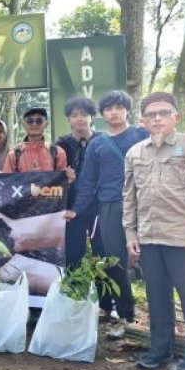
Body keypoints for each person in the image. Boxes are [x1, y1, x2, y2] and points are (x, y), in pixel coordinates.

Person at [124, 92, 185, 370]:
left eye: (163, 113)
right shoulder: (135, 152)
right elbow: (129, 197)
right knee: (156, 296)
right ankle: (160, 348)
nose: (157, 118)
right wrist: (131, 233)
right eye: (151, 114)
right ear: (143, 121)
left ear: (175, 117)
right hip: (149, 237)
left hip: (183, 238)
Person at [64, 90, 149, 339]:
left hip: (146, 204)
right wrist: (76, 209)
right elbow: (88, 182)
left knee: (155, 261)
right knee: (115, 262)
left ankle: (161, 321)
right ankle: (125, 317)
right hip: (111, 206)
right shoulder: (97, 144)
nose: (113, 112)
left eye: (118, 108)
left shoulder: (140, 135)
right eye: (108, 109)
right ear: (102, 114)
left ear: (127, 110)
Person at [55, 98, 104, 267]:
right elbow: (53, 177)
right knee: (73, 254)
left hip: (98, 206)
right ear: (69, 119)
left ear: (92, 117)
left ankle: (104, 285)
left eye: (84, 114)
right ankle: (73, 283)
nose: (79, 119)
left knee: (102, 254)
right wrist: (64, 177)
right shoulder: (60, 145)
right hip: (71, 206)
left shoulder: (103, 141)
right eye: (74, 115)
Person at [2, 107, 68, 173]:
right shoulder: (13, 155)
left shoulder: (58, 153)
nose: (34, 124)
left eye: (39, 121)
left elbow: (62, 179)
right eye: (30, 121)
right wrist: (30, 177)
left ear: (46, 124)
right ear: (24, 125)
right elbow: (7, 179)